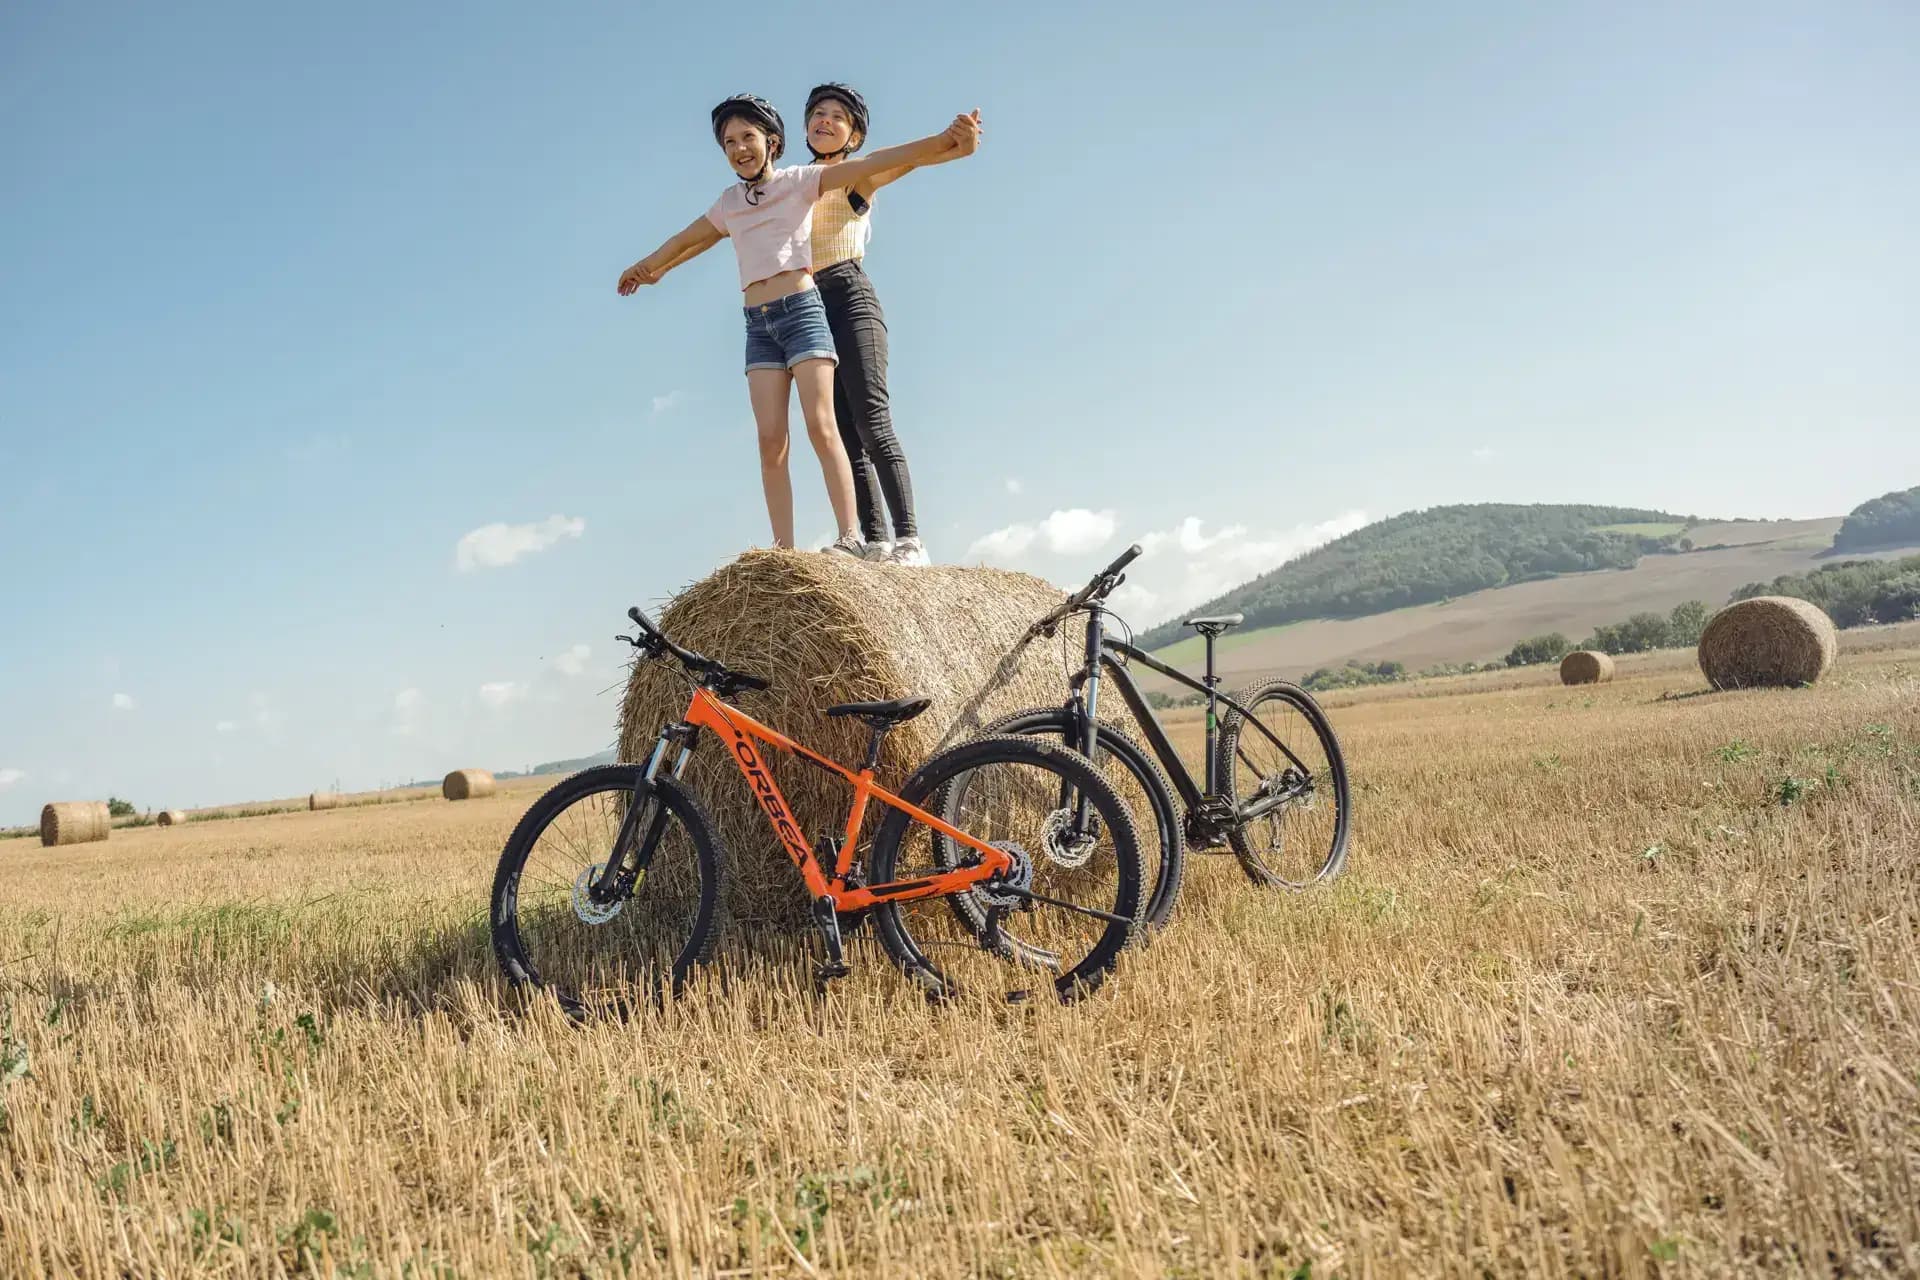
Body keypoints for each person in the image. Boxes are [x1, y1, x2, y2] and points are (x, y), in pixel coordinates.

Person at [617, 94, 982, 554]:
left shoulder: (812, 180)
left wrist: (949, 140)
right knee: (798, 437)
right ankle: (823, 549)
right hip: (763, 319)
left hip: (825, 301)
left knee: (848, 423)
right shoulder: (742, 198)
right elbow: (691, 238)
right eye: (728, 142)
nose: (738, 147)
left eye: (747, 137)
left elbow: (893, 161)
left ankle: (893, 537)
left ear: (772, 141)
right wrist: (651, 269)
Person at [799, 82, 973, 565]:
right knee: (843, 431)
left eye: (838, 116)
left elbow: (908, 159)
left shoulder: (857, 176)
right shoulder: (794, 184)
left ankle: (910, 541)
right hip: (808, 308)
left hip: (849, 296)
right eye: (817, 113)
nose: (825, 120)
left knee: (872, 421)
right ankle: (874, 541)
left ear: (854, 136)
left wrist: (954, 143)